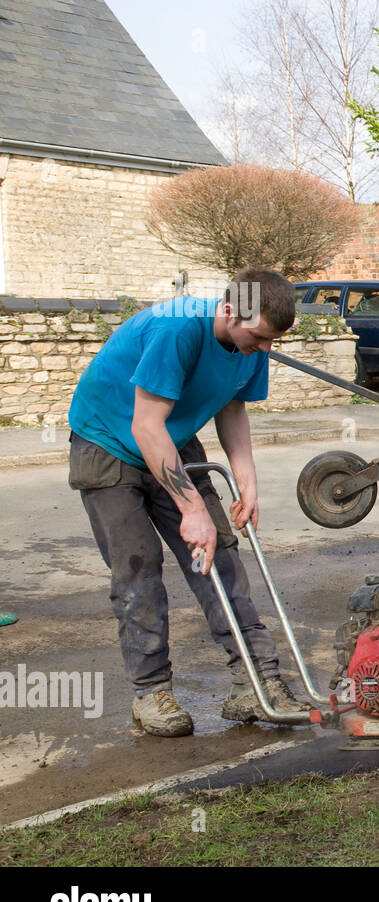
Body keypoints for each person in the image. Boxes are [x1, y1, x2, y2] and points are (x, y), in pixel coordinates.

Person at [67, 268, 309, 737]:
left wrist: (247, 484)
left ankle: (256, 682)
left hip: (171, 439)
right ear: (227, 310)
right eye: (258, 337)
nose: (263, 349)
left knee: (218, 555)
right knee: (139, 568)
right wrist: (192, 509)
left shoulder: (254, 343)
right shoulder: (177, 328)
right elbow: (145, 427)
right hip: (109, 443)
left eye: (271, 341)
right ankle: (151, 692)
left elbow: (232, 407)